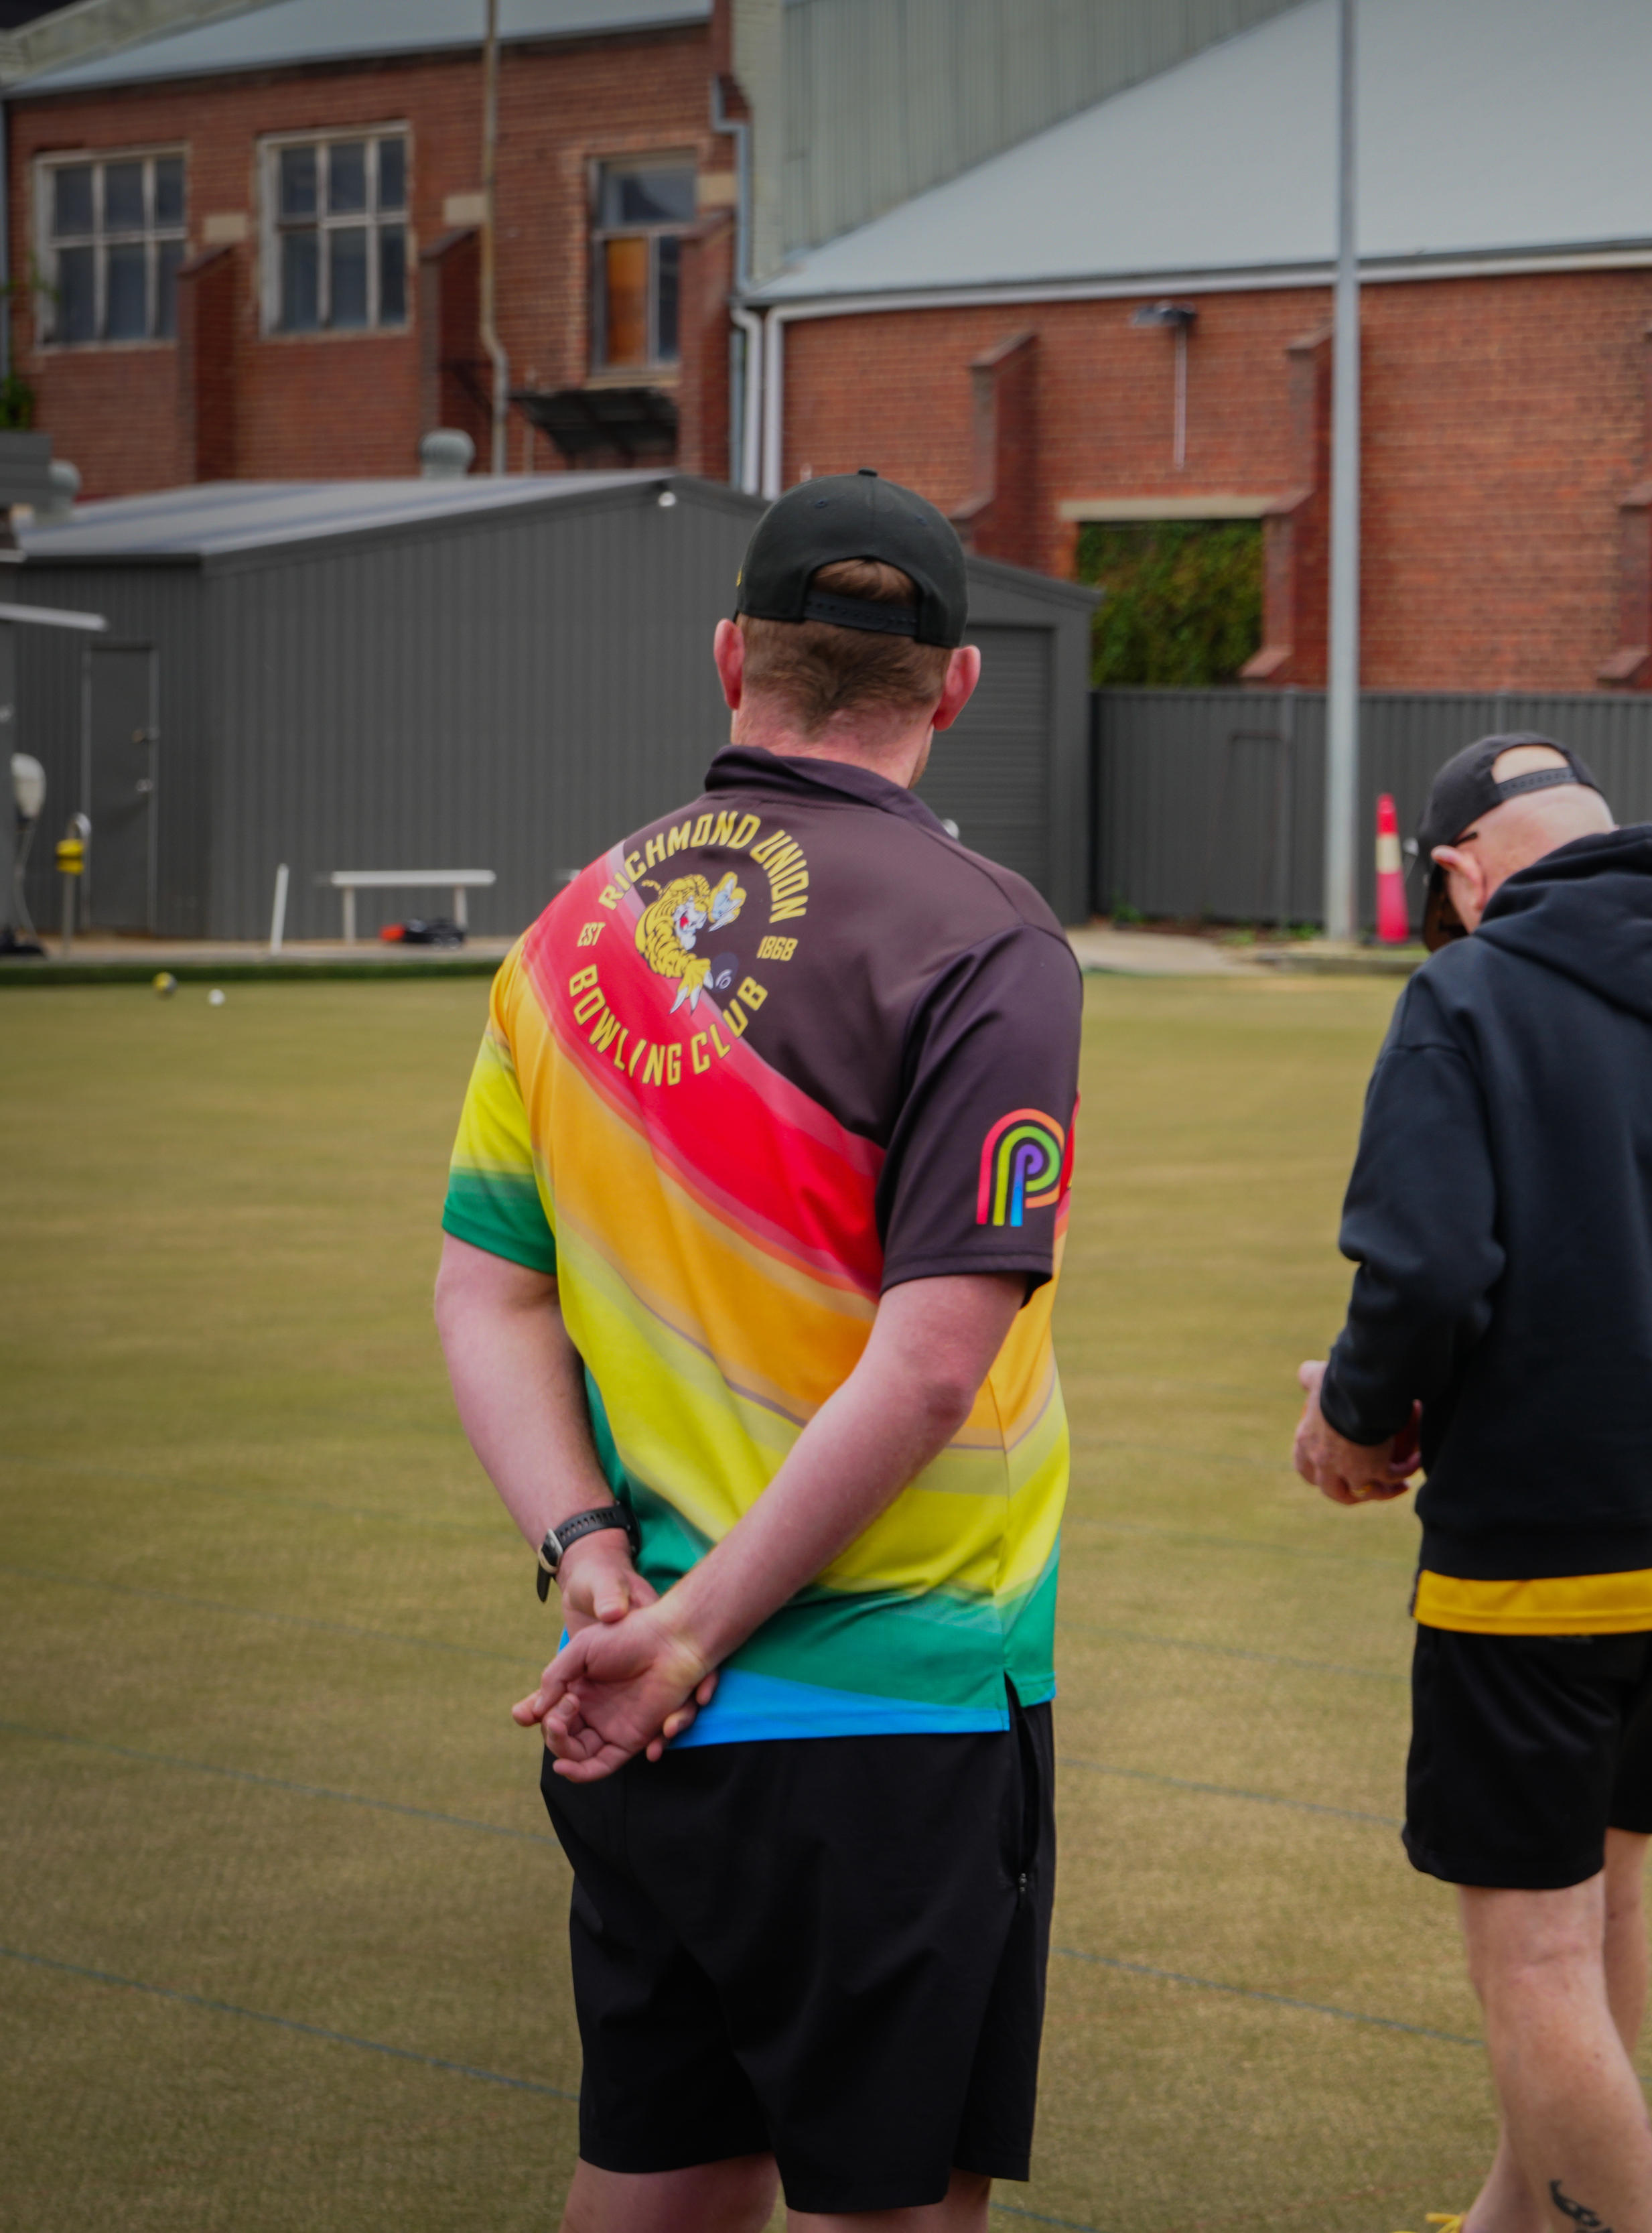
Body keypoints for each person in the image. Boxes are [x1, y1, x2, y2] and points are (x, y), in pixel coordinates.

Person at [435, 470, 1083, 2232]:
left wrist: (597, 1565)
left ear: (732, 656)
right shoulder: (987, 935)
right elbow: (934, 1360)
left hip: (636, 1682)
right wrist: (693, 1632)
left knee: (656, 2181)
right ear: (957, 686)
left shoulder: (570, 929)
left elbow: (486, 1291)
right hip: (893, 1705)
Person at [1288, 734, 1652, 2233]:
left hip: (1533, 1565)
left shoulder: (1464, 996)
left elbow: (1424, 1274)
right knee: (1601, 1896)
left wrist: (1353, 1419)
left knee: (1535, 1954)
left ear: (1458, 873)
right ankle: (1516, 2218)